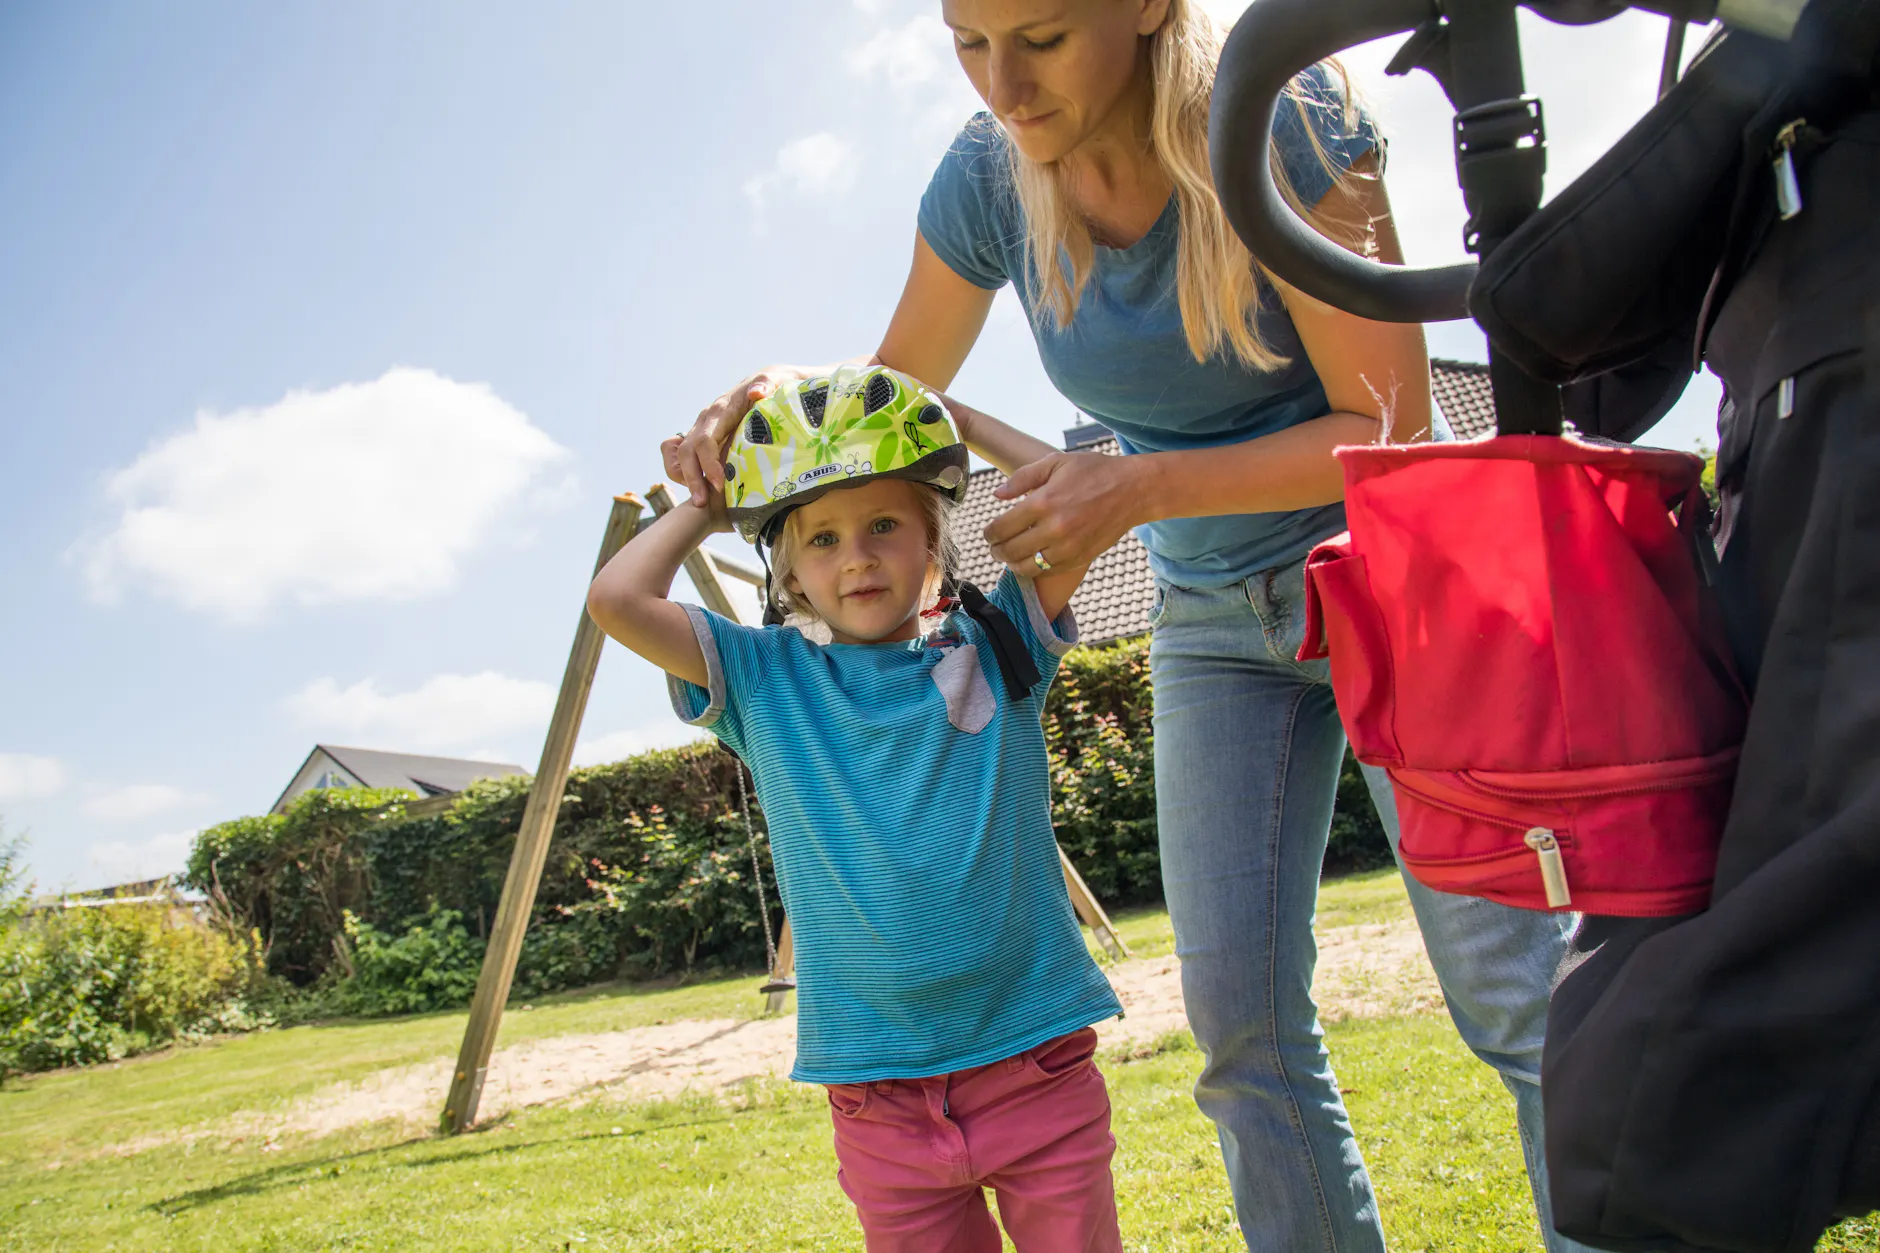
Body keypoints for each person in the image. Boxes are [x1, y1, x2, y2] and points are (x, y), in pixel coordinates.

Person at [669, 4, 1594, 1249]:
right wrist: (774, 404)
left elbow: (1388, 425)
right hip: (1212, 616)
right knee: (1241, 1035)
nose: (1003, 83)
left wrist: (1144, 486)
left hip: (1392, 582)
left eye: (1040, 36)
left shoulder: (1285, 119)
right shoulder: (990, 178)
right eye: (968, 42)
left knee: (1517, 1003)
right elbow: (889, 405)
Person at [590, 364, 1129, 1252]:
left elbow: (1084, 498)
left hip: (1035, 1063)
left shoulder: (996, 644)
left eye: (884, 525)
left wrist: (953, 421)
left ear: (932, 540)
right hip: (877, 1096)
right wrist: (715, 499)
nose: (858, 556)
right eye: (823, 539)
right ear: (789, 571)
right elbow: (616, 600)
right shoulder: (764, 681)